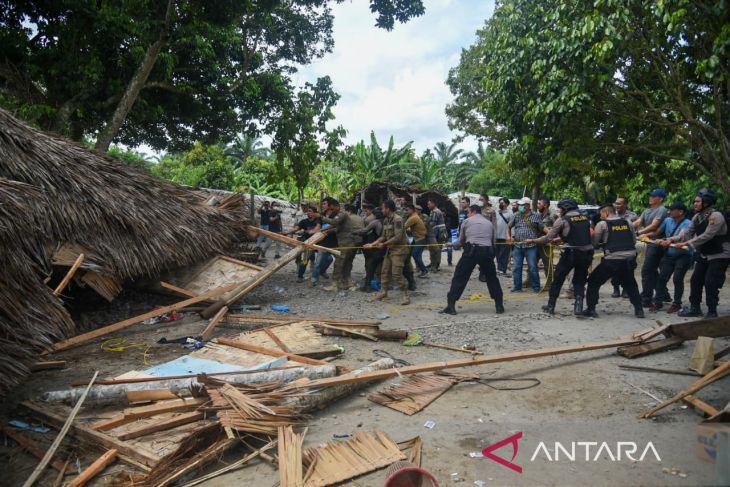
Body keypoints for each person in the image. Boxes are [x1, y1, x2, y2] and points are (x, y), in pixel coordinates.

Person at [664, 189, 730, 318]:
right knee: (695, 281)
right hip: (704, 253)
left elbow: (707, 235)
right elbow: (687, 233)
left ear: (707, 202)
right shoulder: (697, 216)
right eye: (695, 201)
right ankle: (695, 308)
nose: (695, 204)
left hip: (720, 254)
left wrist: (687, 244)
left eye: (698, 201)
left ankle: (712, 311)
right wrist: (671, 239)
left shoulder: (716, 216)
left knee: (710, 281)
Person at [524, 198, 593, 315]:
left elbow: (547, 238)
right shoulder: (586, 218)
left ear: (566, 208)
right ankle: (578, 307)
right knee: (579, 281)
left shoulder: (562, 220)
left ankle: (551, 306)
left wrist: (532, 240)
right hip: (586, 254)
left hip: (571, 254)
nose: (559, 211)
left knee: (558, 279)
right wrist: (561, 239)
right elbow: (580, 235)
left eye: (561, 208)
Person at [440, 204, 504, 315]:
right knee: (492, 278)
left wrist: (452, 245)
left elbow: (460, 242)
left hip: (471, 251)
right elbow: (493, 241)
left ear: (473, 212)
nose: (467, 214)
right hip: (487, 252)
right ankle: (499, 306)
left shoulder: (466, 222)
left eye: (468, 212)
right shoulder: (489, 223)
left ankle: (451, 306)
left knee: (460, 277)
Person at [583, 204, 644, 318]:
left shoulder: (602, 224)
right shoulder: (628, 222)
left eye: (601, 214)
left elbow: (594, 243)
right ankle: (639, 309)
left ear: (606, 213)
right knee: (631, 284)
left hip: (612, 260)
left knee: (593, 281)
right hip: (629, 259)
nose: (600, 217)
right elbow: (633, 240)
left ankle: (591, 308)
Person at [364, 199, 410, 305]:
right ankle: (383, 292)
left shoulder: (398, 219)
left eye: (383, 208)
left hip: (399, 250)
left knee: (397, 274)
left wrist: (384, 244)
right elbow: (384, 236)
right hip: (390, 249)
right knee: (384, 272)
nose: (382, 210)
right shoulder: (386, 220)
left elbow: (398, 237)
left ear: (388, 209)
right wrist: (372, 244)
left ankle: (406, 295)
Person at [649, 202, 692, 313]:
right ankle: (658, 302)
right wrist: (645, 236)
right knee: (662, 278)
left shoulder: (688, 223)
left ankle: (676, 304)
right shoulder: (668, 220)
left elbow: (681, 236)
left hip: (683, 255)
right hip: (669, 254)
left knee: (677, 279)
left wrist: (668, 240)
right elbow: (657, 232)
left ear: (681, 212)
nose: (669, 212)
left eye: (672, 210)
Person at [635, 188, 669, 307]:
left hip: (659, 243)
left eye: (653, 196)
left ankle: (646, 298)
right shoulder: (647, 210)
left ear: (660, 199)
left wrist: (639, 233)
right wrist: (626, 226)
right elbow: (638, 222)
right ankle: (663, 293)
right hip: (651, 243)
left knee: (647, 270)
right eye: (650, 195)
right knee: (652, 271)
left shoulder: (662, 209)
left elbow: (654, 226)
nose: (650, 198)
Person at [321, 200, 360, 292]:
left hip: (346, 243)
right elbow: (338, 228)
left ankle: (335, 285)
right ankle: (347, 283)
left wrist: (321, 217)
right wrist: (327, 231)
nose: (331, 211)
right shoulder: (343, 215)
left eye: (332, 208)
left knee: (338, 263)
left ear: (336, 206)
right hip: (349, 243)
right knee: (347, 264)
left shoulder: (342, 214)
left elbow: (334, 222)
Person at [506, 197, 543, 293]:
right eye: (519, 205)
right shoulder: (516, 215)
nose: (520, 207)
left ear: (527, 205)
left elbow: (542, 228)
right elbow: (508, 227)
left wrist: (550, 236)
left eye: (522, 205)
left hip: (531, 246)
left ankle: (536, 287)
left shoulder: (536, 216)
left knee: (532, 267)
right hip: (518, 245)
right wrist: (508, 237)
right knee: (517, 267)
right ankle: (517, 286)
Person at [611, 196, 638, 298]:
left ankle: (626, 289)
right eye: (616, 203)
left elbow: (635, 232)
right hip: (613, 246)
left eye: (619, 203)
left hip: (627, 247)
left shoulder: (632, 216)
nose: (617, 205)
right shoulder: (611, 215)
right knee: (614, 269)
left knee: (628, 269)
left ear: (625, 205)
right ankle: (616, 288)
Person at [354, 204, 384, 292]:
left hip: (376, 248)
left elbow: (364, 231)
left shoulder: (376, 222)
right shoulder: (386, 221)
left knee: (371, 267)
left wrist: (354, 232)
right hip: (384, 247)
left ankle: (368, 287)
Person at [287, 205, 321, 282]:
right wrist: (288, 232)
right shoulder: (304, 221)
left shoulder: (319, 221)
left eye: (310, 211)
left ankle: (319, 273)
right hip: (308, 244)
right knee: (305, 260)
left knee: (323, 260)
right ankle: (300, 276)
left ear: (315, 213)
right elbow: (296, 228)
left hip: (319, 244)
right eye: (308, 211)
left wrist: (308, 231)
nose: (308, 213)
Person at [536, 197, 557, 287]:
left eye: (539, 204)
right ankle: (529, 280)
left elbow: (557, 228)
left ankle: (550, 284)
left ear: (545, 205)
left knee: (547, 264)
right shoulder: (538, 215)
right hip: (537, 242)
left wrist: (551, 231)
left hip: (547, 244)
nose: (538, 206)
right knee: (532, 262)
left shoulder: (553, 215)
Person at [405, 203, 429, 277]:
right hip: (417, 238)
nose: (406, 211)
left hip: (420, 239)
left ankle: (424, 270)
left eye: (407, 210)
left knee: (415, 254)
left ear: (412, 210)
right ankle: (414, 269)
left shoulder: (413, 217)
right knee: (411, 253)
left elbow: (403, 227)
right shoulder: (414, 216)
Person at [427, 199, 446, 272]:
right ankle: (432, 264)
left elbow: (433, 223)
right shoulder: (434, 211)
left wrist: (425, 226)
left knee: (436, 249)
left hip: (438, 233)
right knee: (433, 249)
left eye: (429, 204)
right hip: (438, 232)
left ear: (433, 204)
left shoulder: (435, 212)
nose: (428, 206)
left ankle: (435, 265)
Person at [495, 197, 512, 275]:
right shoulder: (497, 212)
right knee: (497, 253)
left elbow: (512, 225)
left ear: (507, 204)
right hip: (496, 236)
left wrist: (512, 236)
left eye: (502, 203)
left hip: (505, 236)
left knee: (504, 254)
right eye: (500, 203)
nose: (501, 204)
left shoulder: (510, 213)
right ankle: (499, 268)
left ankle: (503, 269)